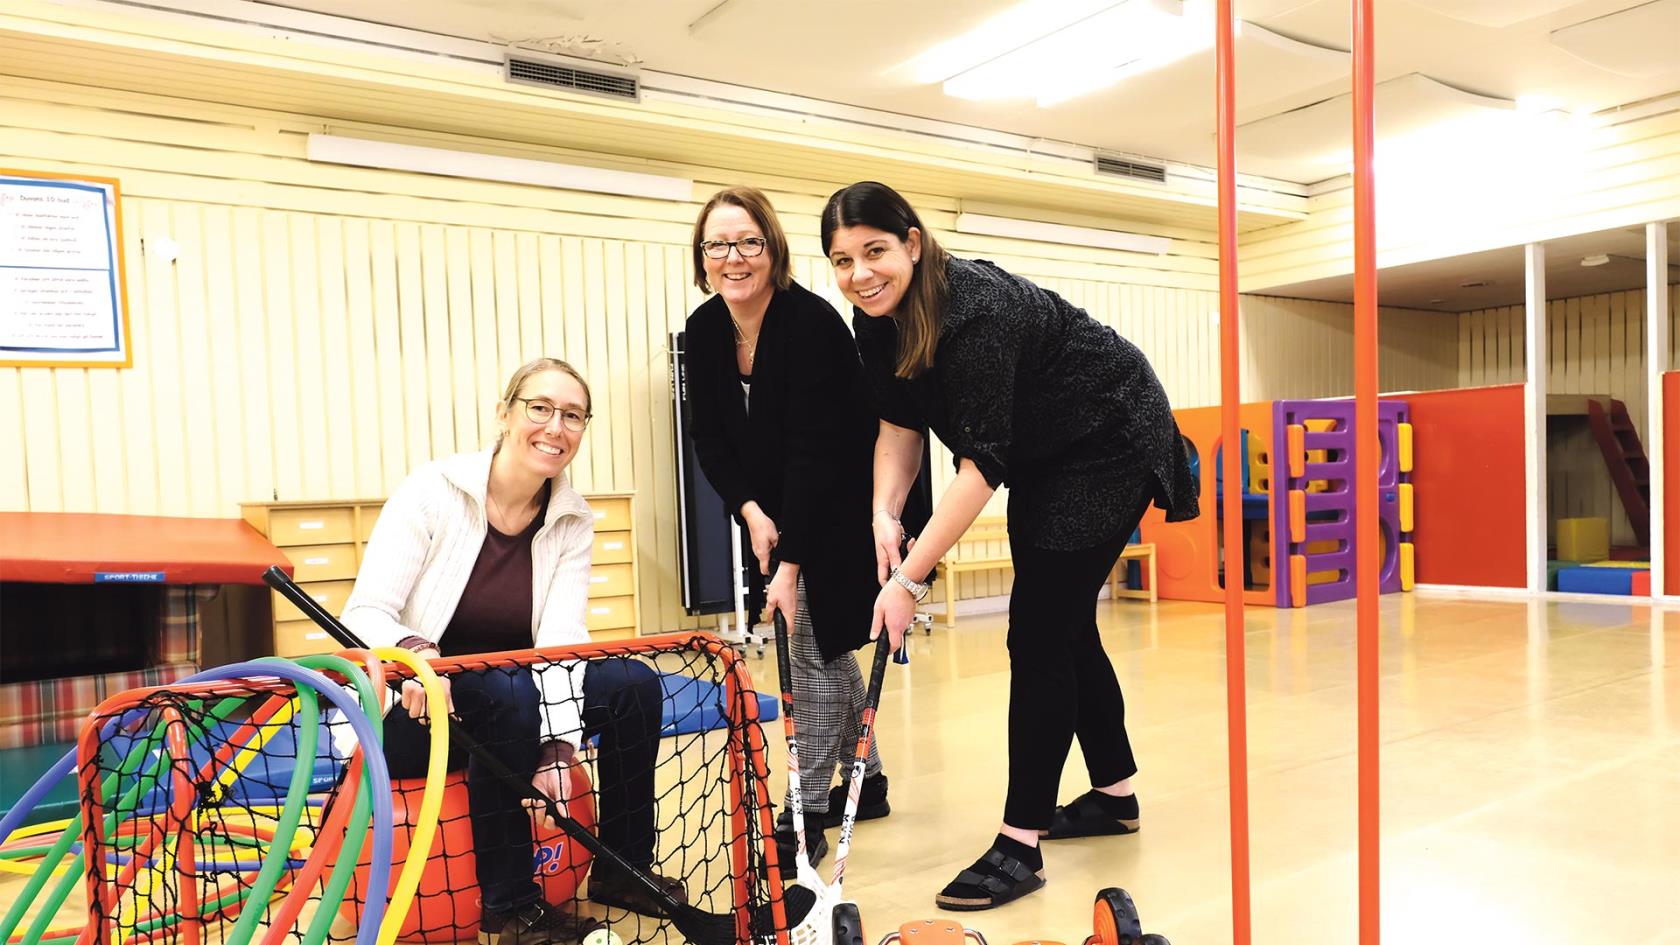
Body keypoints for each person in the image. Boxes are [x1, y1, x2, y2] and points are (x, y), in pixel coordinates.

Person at [820, 182, 1199, 912]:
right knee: (1060, 623)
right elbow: (898, 426)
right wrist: (882, 512)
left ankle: (1018, 844)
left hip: (1108, 438)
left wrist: (906, 579)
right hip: (1045, 453)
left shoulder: (977, 311)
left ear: (914, 243)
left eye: (874, 251)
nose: (859, 274)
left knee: (1040, 633)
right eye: (841, 259)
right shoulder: (875, 318)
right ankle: (1115, 795)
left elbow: (981, 466)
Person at [343, 357, 686, 945]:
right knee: (506, 691)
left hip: (514, 696)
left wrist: (556, 744)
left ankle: (621, 868)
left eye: (573, 415)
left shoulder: (572, 519)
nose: (556, 427)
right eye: (541, 408)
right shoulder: (431, 492)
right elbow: (366, 611)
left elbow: (558, 643)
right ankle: (512, 906)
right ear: (505, 414)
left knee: (631, 683)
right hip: (418, 705)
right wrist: (418, 658)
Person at [683, 186, 896, 876]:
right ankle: (874, 779)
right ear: (703, 257)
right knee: (828, 648)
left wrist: (791, 565)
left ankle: (803, 808)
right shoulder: (705, 330)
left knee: (813, 650)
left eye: (748, 241)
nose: (734, 257)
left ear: (772, 248)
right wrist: (749, 509)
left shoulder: (810, 324)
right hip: (774, 510)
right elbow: (709, 438)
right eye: (718, 244)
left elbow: (817, 452)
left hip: (843, 502)